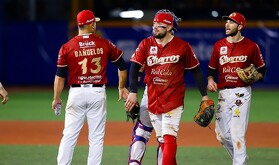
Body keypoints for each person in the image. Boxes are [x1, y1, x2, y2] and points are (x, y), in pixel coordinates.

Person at [125, 9, 211, 165]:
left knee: (169, 136)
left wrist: (204, 95)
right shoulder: (146, 43)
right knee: (161, 139)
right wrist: (132, 92)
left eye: (160, 25)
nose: (155, 27)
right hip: (152, 98)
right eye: (154, 24)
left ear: (170, 27)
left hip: (173, 98)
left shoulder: (183, 46)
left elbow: (196, 71)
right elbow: (134, 67)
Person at [51, 9, 128, 165]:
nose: (95, 24)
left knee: (69, 135)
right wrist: (121, 87)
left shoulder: (67, 46)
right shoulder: (103, 43)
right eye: (94, 22)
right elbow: (122, 65)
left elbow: (60, 76)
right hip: (97, 92)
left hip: (76, 93)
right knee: (96, 137)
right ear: (90, 24)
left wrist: (56, 98)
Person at [207, 12, 266, 165]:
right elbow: (211, 70)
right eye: (227, 21)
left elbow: (262, 69)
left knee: (237, 134)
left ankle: (239, 162)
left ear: (240, 27)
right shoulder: (219, 46)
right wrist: (210, 80)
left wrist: (256, 76)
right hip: (224, 94)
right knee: (221, 135)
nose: (227, 24)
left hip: (242, 93)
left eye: (231, 22)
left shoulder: (251, 46)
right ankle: (240, 157)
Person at [128, 64, 163, 165]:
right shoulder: (181, 47)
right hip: (171, 93)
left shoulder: (147, 47)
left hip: (150, 92)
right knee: (166, 136)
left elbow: (137, 67)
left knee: (142, 131)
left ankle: (133, 164)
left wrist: (132, 91)